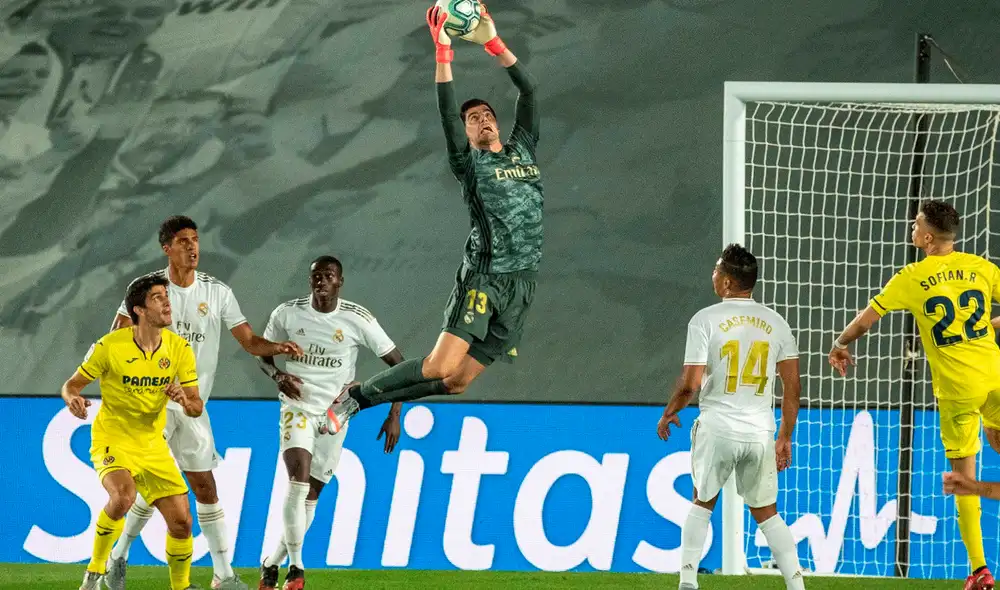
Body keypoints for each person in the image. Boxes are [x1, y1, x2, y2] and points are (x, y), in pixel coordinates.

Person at [324, 2, 543, 432]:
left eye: (486, 115)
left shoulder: (524, 147)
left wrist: (495, 45)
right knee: (437, 365)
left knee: (457, 380)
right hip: (485, 276)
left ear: (498, 124)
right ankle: (357, 396)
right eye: (472, 119)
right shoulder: (469, 164)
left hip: (523, 282)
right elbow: (446, 111)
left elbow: (530, 92)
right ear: (465, 133)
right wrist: (445, 51)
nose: (481, 120)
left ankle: (361, 397)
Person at [105, 216, 302, 590]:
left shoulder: (218, 293)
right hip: (151, 408)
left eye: (195, 240)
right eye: (183, 241)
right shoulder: (148, 290)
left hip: (194, 408)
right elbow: (117, 337)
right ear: (167, 248)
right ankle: (118, 559)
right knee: (155, 488)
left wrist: (277, 347)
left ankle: (219, 575)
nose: (192, 247)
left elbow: (247, 341)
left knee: (205, 489)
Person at [829, 199, 1000, 590]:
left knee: (963, 479)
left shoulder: (911, 277)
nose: (911, 226)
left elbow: (866, 321)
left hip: (958, 390)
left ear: (925, 237)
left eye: (915, 223)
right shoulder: (982, 268)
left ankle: (979, 570)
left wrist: (839, 343)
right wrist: (987, 326)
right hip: (995, 376)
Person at [659, 244, 805, 590]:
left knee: (702, 502)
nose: (712, 274)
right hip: (759, 431)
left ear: (726, 282)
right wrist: (784, 436)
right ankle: (797, 585)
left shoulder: (705, 319)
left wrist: (669, 413)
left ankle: (688, 582)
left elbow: (690, 384)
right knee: (767, 513)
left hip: (719, 426)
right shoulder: (777, 323)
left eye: (715, 269)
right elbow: (793, 388)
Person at [256, 256, 405, 590]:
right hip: (296, 408)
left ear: (340, 281)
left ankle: (270, 564)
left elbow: (399, 365)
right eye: (316, 276)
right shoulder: (287, 313)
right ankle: (296, 568)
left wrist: (394, 414)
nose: (321, 281)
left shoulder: (356, 318)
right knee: (297, 482)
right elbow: (261, 351)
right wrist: (277, 374)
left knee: (311, 496)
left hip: (336, 414)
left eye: (328, 276)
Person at [63, 274, 204, 590]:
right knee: (124, 496)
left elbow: (196, 406)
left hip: (152, 444)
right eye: (158, 297)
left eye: (167, 296)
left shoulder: (179, 348)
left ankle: (181, 586)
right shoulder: (109, 346)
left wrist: (184, 399)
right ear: (139, 310)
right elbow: (72, 385)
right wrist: (73, 398)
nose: (167, 302)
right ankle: (94, 574)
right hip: (113, 437)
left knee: (182, 522)